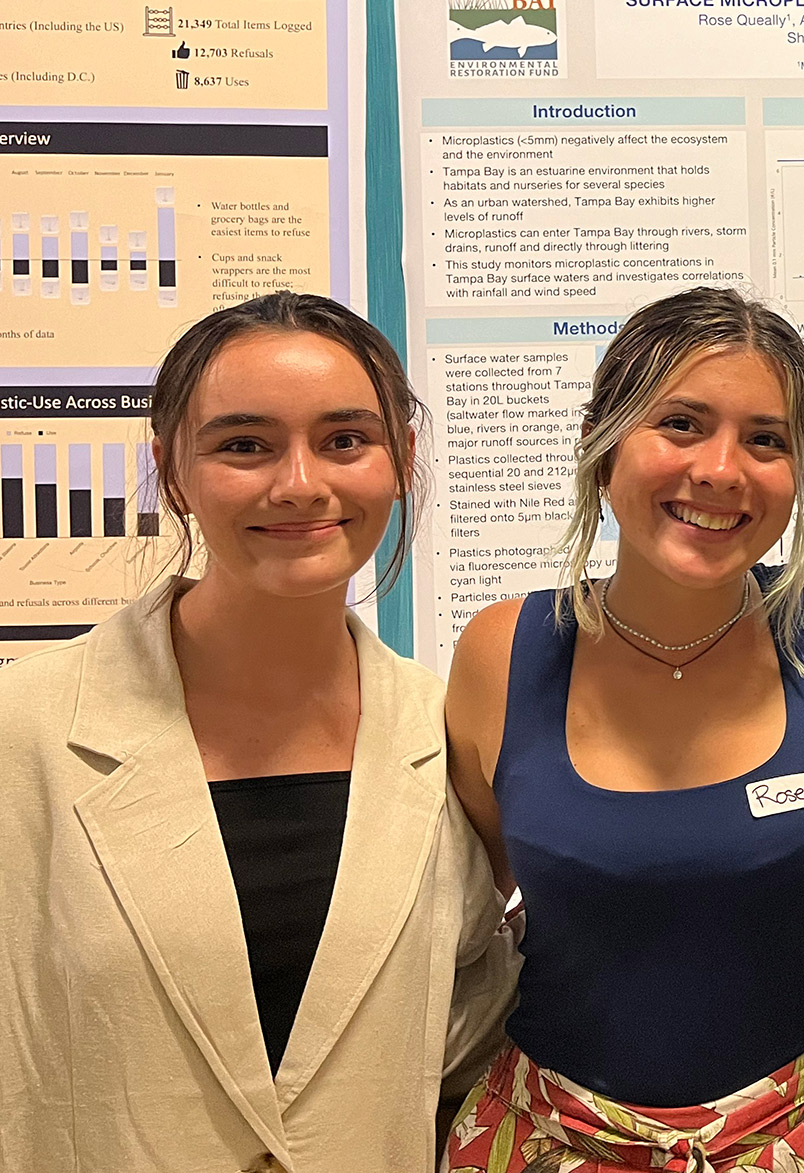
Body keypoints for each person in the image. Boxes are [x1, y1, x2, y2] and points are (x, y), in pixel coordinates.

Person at [0, 291, 518, 1171]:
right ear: (173, 472)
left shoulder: (447, 737)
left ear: (401, 461)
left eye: (345, 439)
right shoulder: (28, 731)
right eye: (245, 445)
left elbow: (466, 1028)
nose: (300, 483)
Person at [443, 287, 804, 1172]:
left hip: (795, 1139)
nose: (723, 469)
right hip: (551, 1141)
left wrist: (727, 914)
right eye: (681, 423)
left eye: (767, 439)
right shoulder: (504, 650)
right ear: (601, 445)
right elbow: (482, 890)